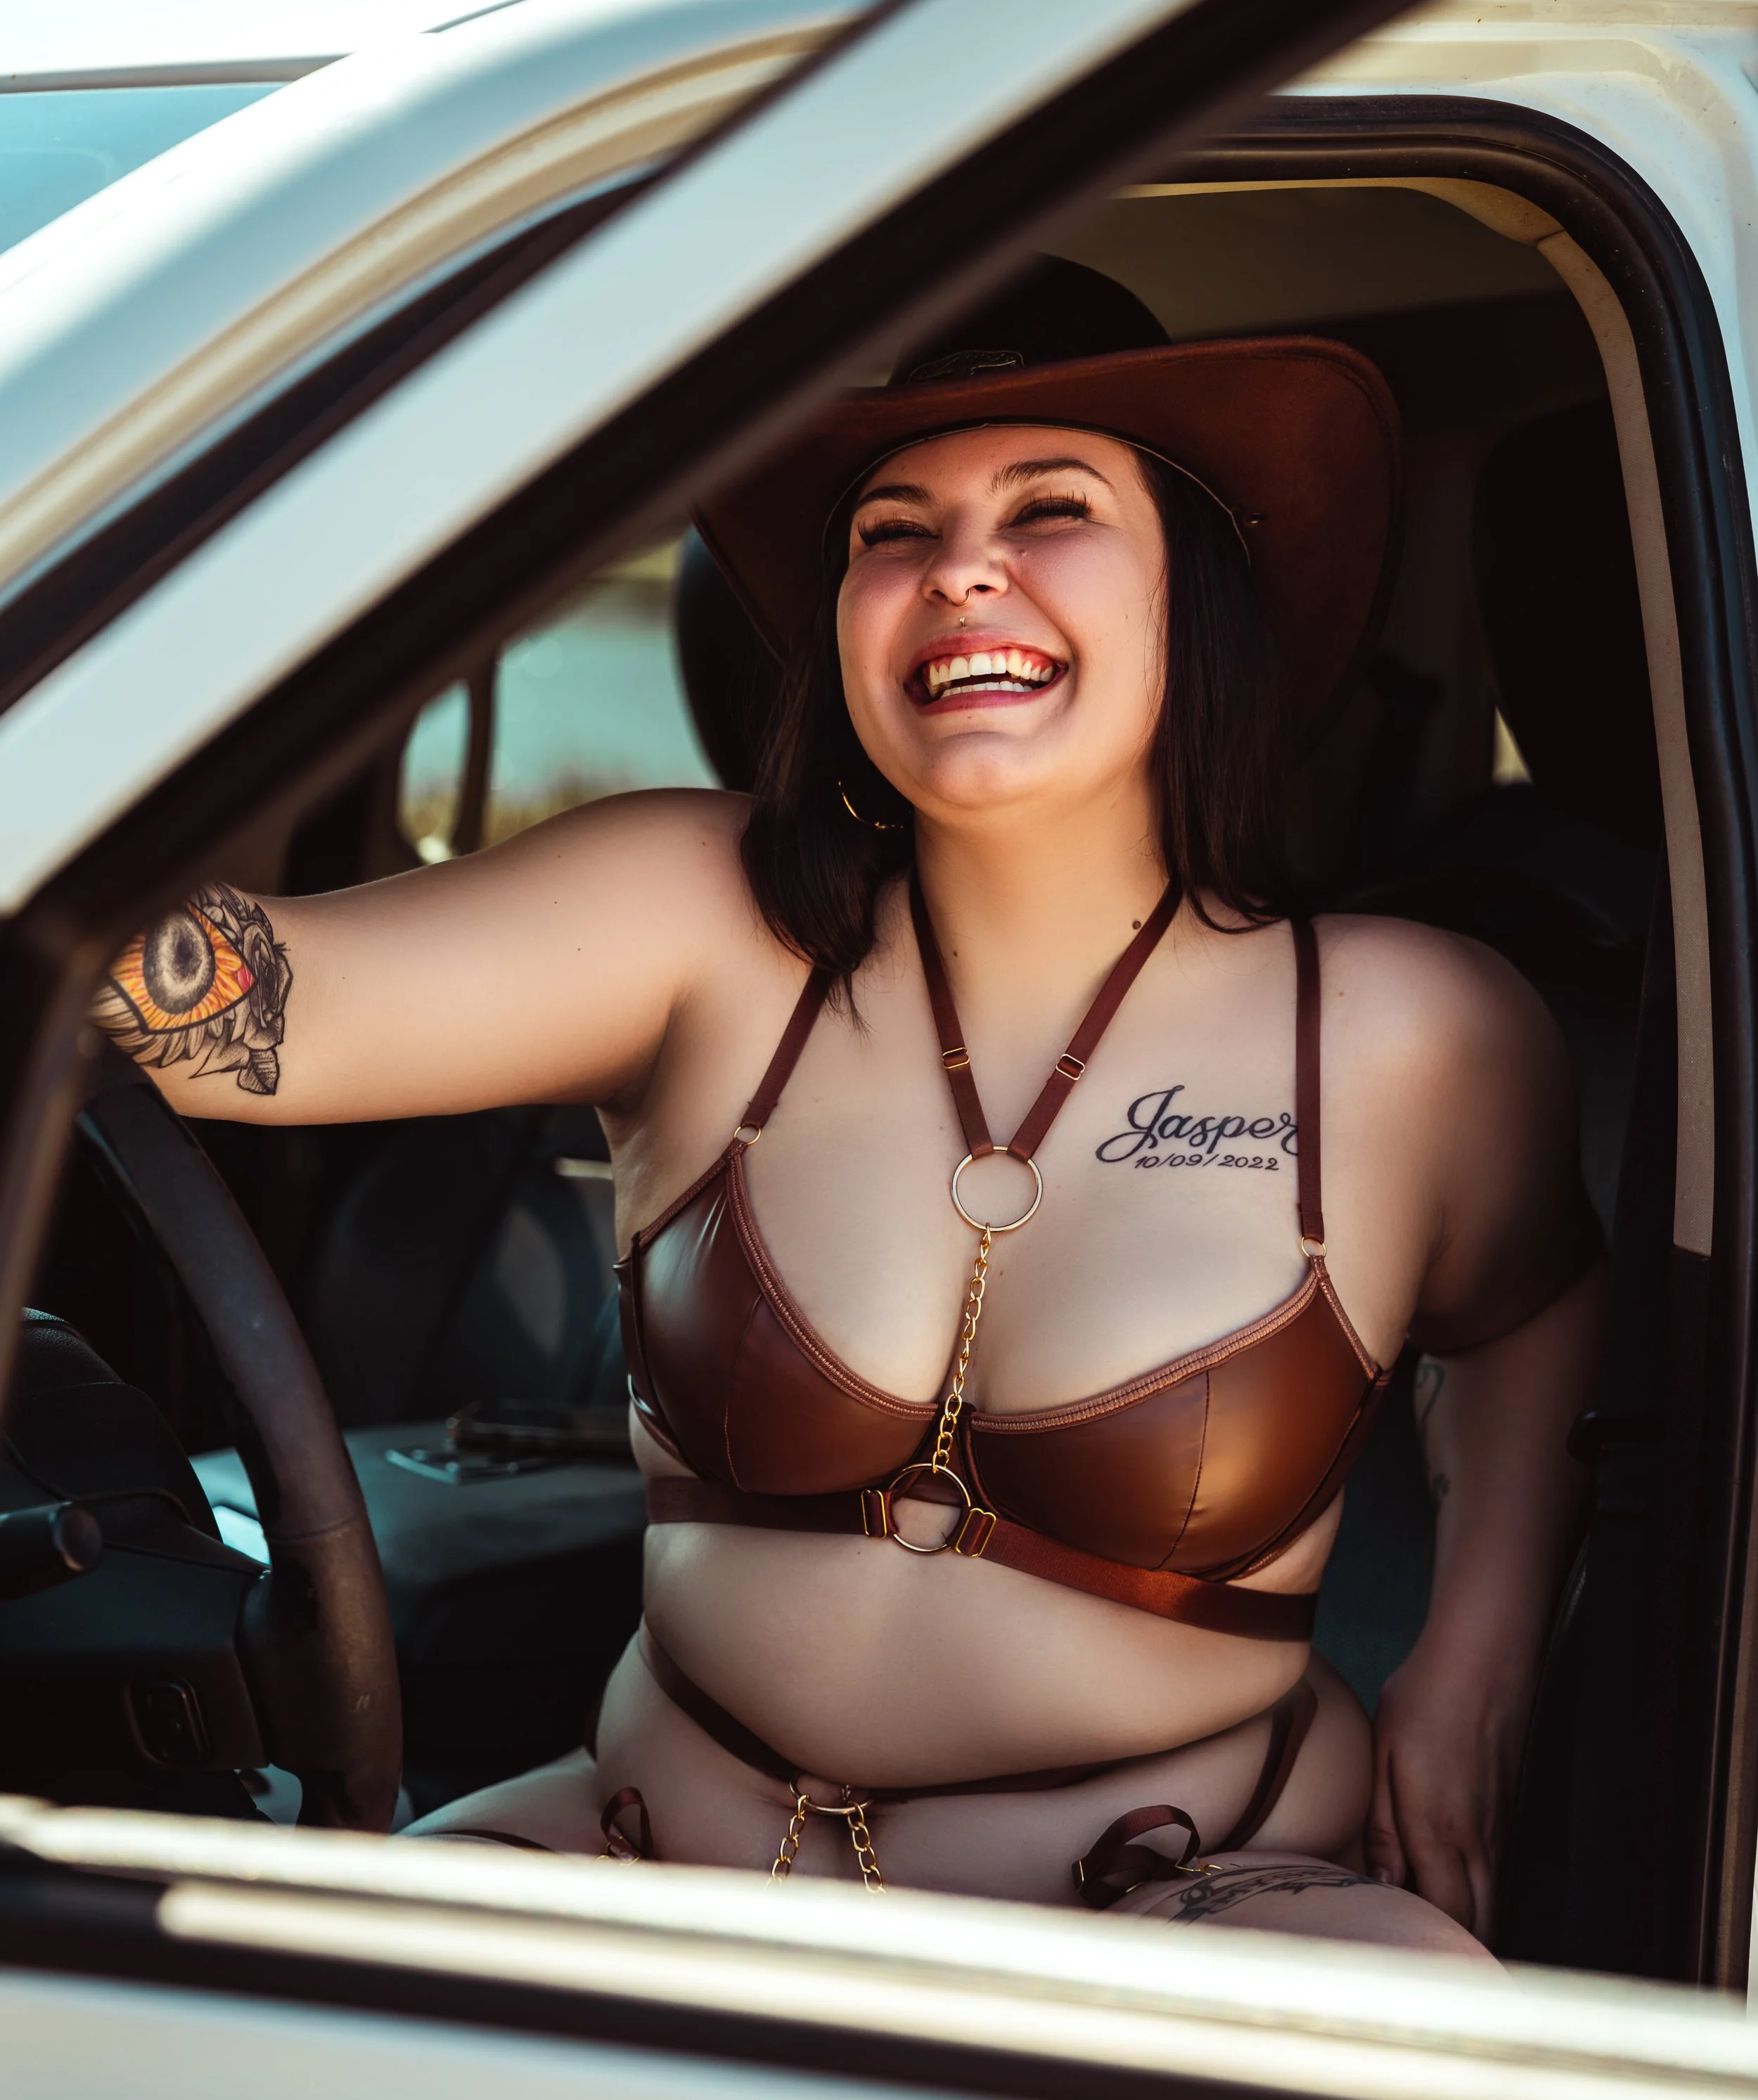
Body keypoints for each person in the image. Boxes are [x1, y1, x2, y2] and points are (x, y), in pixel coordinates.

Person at [94, 261, 1603, 1956]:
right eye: (894, 528)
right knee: (231, 2025)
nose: (962, 565)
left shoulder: (1412, 1029)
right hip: (659, 1856)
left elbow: (1527, 1314)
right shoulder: (698, 916)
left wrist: (1470, 1646)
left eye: (1050, 506)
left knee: (1439, 2043)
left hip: (1174, 1900)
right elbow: (229, 1020)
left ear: (1200, 584)